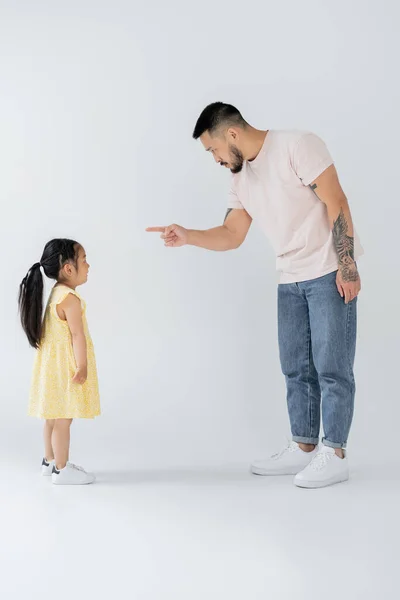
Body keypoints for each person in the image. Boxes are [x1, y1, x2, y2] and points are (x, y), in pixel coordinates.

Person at [147, 102, 363, 489]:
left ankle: (336, 454)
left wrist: (347, 266)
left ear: (231, 133)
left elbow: (337, 201)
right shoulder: (240, 179)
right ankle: (304, 446)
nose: (213, 158)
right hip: (289, 278)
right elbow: (232, 235)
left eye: (212, 149)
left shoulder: (298, 146)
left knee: (332, 367)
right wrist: (188, 236)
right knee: (295, 368)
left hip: (328, 270)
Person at [18, 238, 100, 485]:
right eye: (84, 260)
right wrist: (82, 366)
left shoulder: (55, 293)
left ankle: (49, 460)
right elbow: (77, 335)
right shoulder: (70, 299)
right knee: (64, 418)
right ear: (68, 268)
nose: (88, 265)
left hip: (51, 367)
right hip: (65, 368)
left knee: (52, 417)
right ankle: (62, 470)